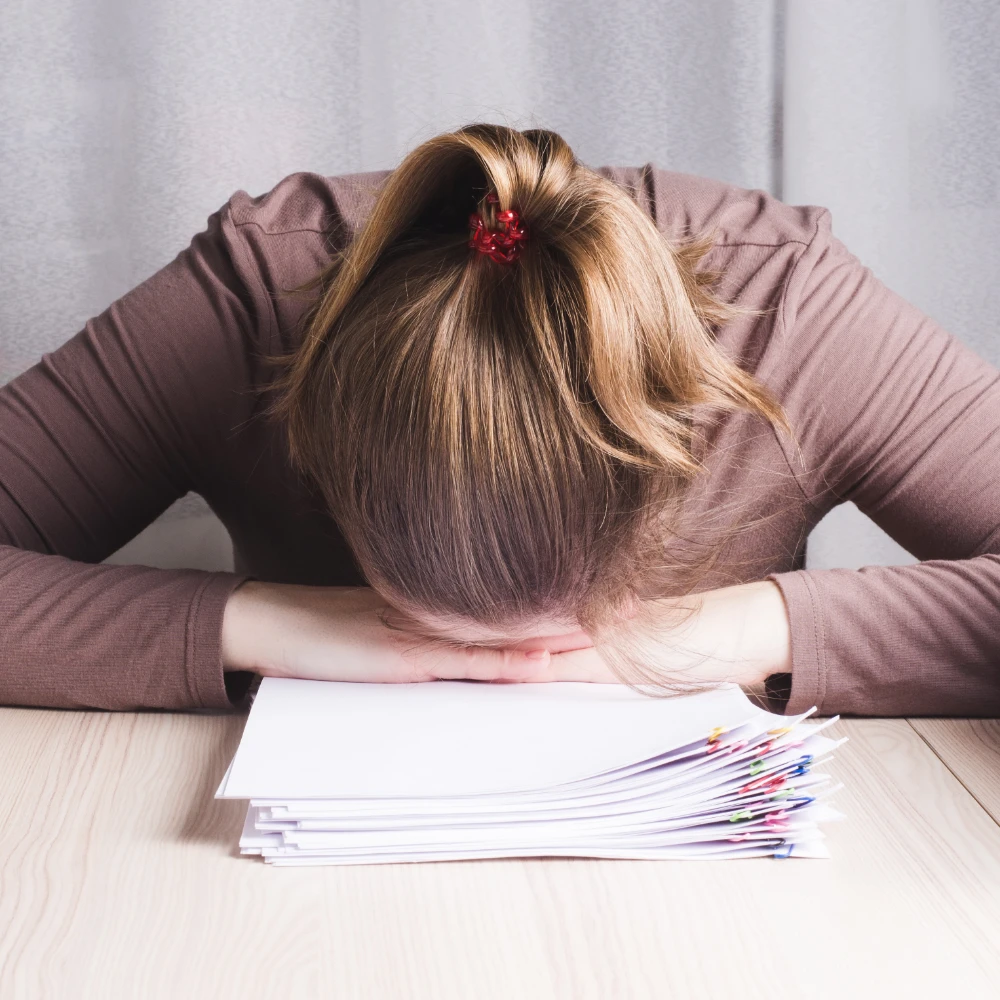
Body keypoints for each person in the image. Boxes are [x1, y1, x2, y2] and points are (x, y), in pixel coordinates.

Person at [1, 123, 998, 717]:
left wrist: (740, 628)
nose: (511, 676)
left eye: (569, 633)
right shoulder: (249, 303)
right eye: (430, 624)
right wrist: (271, 622)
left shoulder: (787, 309)